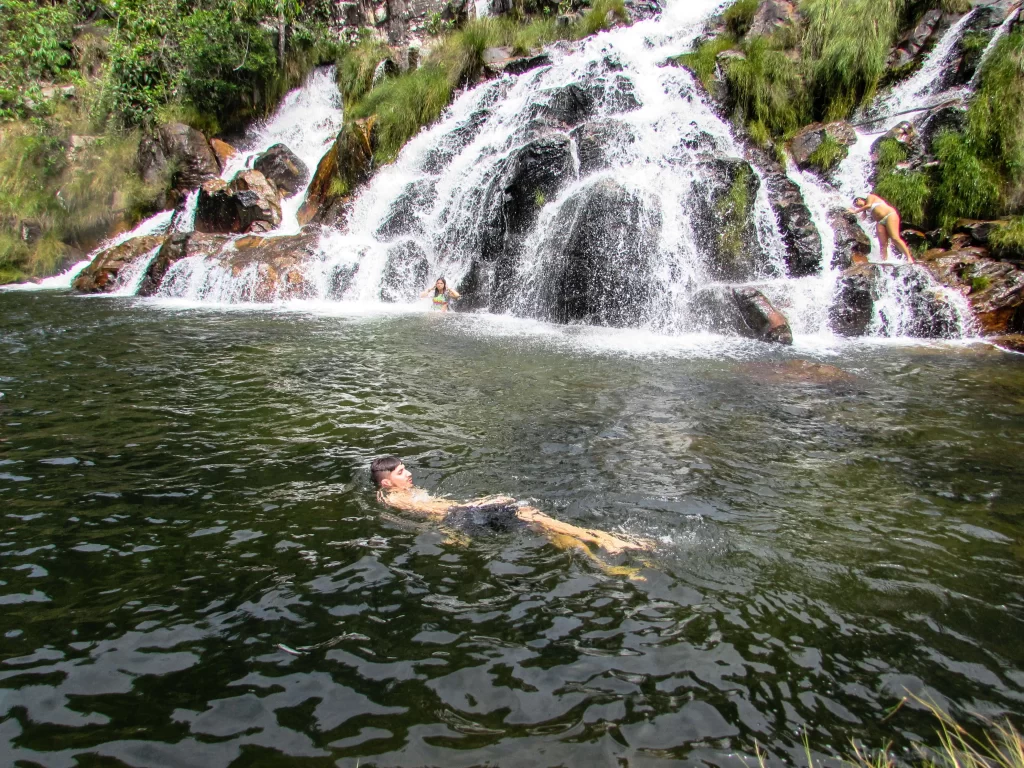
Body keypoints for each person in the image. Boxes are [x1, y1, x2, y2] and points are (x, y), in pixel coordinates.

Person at [369, 456, 649, 556]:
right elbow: (440, 510)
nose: (408, 474)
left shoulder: (390, 496)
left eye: (405, 469)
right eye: (400, 473)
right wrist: (484, 502)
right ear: (387, 484)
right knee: (530, 513)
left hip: (460, 517)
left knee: (537, 525)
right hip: (462, 517)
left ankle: (594, 549)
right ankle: (603, 538)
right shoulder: (399, 498)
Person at [850, 194, 916, 264]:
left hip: (889, 215)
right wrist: (852, 213)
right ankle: (884, 261)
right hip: (880, 222)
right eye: (856, 206)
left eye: (856, 203)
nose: (857, 206)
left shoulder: (870, 197)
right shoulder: (865, 210)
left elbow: (869, 205)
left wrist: (855, 211)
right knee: (883, 244)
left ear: (860, 199)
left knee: (895, 238)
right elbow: (862, 219)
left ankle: (909, 258)